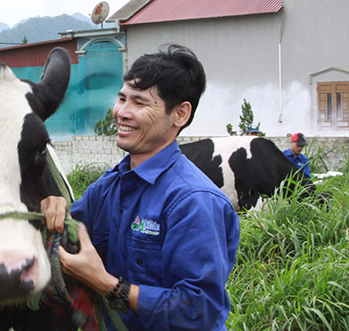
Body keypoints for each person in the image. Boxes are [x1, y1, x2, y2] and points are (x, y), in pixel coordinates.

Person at [42, 44, 240, 330]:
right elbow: (69, 232)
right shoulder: (109, 187)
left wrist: (106, 284)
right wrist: (54, 206)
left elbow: (199, 309)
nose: (122, 112)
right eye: (122, 98)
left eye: (140, 102)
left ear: (180, 114)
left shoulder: (194, 201)